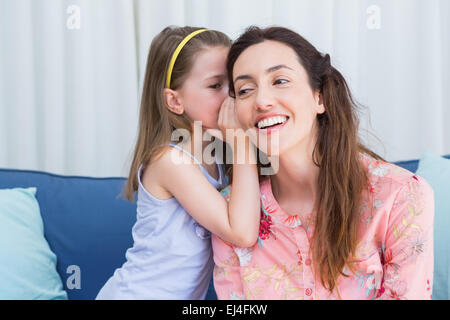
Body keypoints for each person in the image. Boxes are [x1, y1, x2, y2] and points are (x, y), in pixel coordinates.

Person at [212, 26, 435, 300]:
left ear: (319, 97)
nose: (262, 101)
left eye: (280, 81)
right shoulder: (230, 214)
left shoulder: (401, 196)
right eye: (245, 90)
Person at [96, 26, 260, 300]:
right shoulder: (169, 161)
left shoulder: (219, 155)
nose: (230, 96)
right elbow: (241, 233)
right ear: (174, 100)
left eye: (233, 84)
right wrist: (242, 145)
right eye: (215, 85)